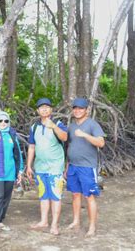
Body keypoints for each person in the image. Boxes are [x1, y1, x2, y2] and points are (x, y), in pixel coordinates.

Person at [25, 98, 68, 235]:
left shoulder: (58, 123)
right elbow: (32, 147)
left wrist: (54, 126)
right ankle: (44, 221)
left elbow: (65, 137)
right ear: (38, 111)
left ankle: (54, 225)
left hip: (55, 167)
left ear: (51, 109)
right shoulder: (34, 127)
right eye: (41, 107)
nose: (44, 109)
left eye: (47, 107)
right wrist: (29, 166)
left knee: (55, 196)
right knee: (43, 195)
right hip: (40, 167)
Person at [65, 98, 105, 237]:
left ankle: (92, 226)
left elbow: (101, 143)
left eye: (81, 108)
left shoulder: (92, 124)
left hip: (87, 167)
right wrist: (67, 165)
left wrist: (84, 135)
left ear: (86, 110)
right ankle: (76, 221)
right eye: (75, 108)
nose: (77, 110)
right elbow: (70, 146)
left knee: (89, 196)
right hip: (73, 166)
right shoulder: (71, 126)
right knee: (75, 194)